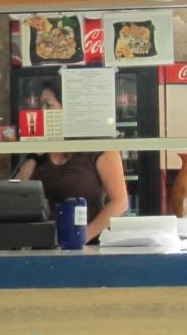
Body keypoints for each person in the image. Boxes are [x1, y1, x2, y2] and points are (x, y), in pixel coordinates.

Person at [14, 81, 128, 243]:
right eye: (40, 106)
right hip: (43, 245)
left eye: (48, 105)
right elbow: (17, 194)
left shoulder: (100, 146)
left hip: (88, 246)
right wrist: (34, 153)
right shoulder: (40, 152)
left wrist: (82, 237)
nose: (42, 112)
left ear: (68, 110)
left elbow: (120, 202)